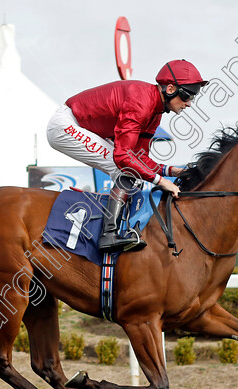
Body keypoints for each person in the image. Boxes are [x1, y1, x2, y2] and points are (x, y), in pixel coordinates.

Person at [46, 59, 207, 253]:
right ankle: (109, 235)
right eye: (187, 96)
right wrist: (161, 181)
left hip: (80, 126)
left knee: (134, 172)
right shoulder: (141, 102)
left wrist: (173, 171)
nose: (189, 103)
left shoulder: (155, 112)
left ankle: (119, 229)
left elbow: (139, 158)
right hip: (66, 126)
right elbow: (123, 158)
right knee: (127, 171)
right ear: (171, 88)